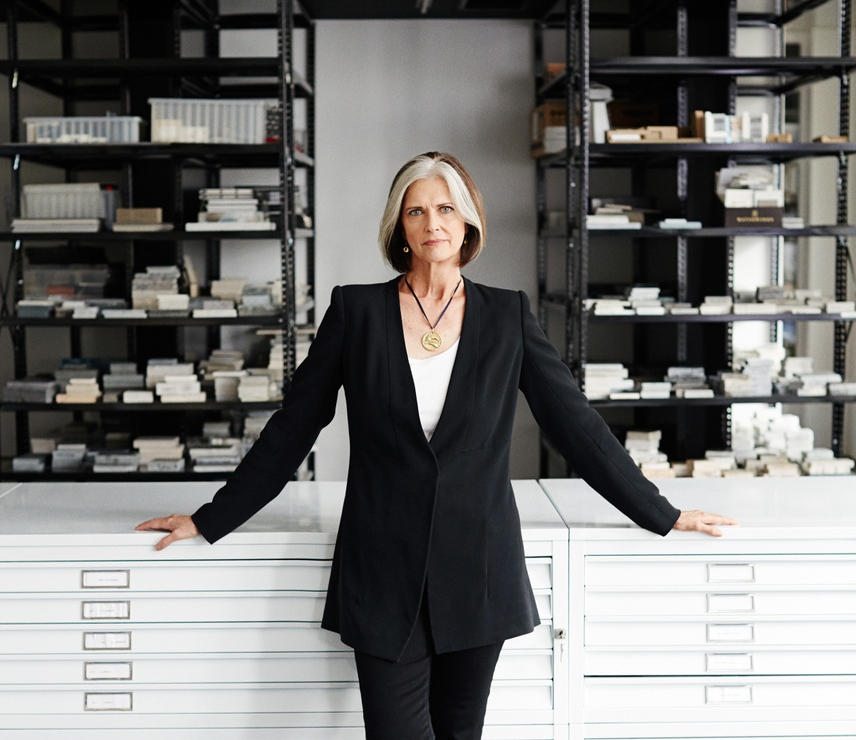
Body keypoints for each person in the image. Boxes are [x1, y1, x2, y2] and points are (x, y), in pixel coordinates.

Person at [137, 151, 736, 740]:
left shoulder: (507, 315)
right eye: (416, 211)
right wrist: (211, 519)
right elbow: (294, 427)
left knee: (459, 732)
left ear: (469, 220)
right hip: (380, 567)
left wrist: (662, 513)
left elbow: (576, 426)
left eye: (445, 208)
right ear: (399, 226)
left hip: (478, 568)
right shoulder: (356, 311)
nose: (432, 224)